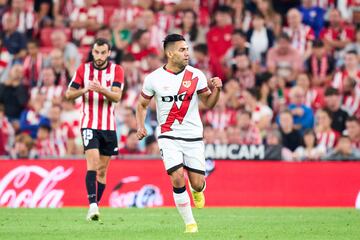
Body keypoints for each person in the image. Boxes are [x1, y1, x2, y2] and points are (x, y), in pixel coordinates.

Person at [136, 34, 222, 233]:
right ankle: (190, 224)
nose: (187, 54)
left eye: (187, 50)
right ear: (170, 53)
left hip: (193, 136)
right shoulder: (153, 79)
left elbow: (208, 103)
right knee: (176, 177)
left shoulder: (196, 75)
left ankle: (197, 190)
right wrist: (141, 126)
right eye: (182, 50)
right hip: (168, 135)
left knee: (198, 184)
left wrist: (216, 90)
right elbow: (141, 105)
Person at [65, 38, 124, 221]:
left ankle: (94, 206)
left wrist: (100, 89)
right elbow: (68, 94)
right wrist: (84, 90)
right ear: (92, 51)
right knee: (93, 162)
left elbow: (116, 97)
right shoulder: (83, 69)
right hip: (89, 124)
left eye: (103, 53)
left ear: (108, 53)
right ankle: (92, 206)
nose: (99, 56)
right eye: (96, 52)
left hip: (108, 127)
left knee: (102, 171)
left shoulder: (117, 70)